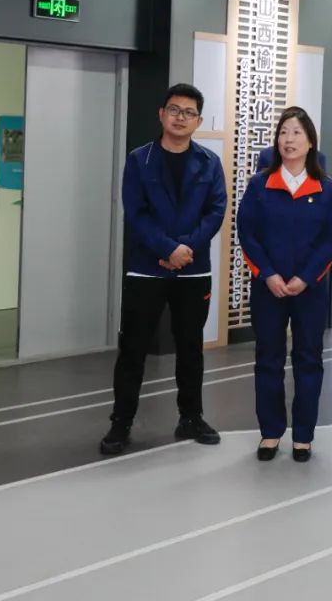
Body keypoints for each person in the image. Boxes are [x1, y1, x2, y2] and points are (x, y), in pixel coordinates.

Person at [100, 83, 227, 455]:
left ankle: (191, 417)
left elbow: (216, 210)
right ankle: (121, 423)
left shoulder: (209, 162)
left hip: (193, 269)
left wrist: (186, 248)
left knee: (190, 347)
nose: (180, 118)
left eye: (189, 113)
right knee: (133, 349)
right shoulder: (139, 159)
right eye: (174, 110)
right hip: (146, 268)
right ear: (161, 114)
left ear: (198, 121)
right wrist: (167, 248)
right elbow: (135, 211)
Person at [237, 107, 332, 462]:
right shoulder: (260, 185)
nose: (289, 139)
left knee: (308, 359)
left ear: (311, 141)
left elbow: (331, 239)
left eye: (297, 132)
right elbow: (247, 232)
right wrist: (268, 273)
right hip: (268, 288)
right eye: (284, 132)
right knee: (268, 358)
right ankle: (270, 432)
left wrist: (305, 277)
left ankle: (303, 436)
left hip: (309, 291)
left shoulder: (326, 189)